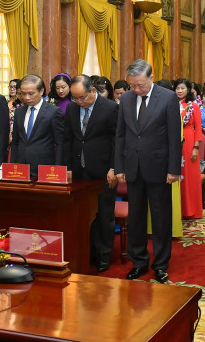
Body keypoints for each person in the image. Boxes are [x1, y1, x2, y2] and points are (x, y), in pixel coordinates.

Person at [114, 59, 181, 284]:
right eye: (132, 85)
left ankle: (161, 265)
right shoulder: (126, 98)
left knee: (161, 218)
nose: (136, 89)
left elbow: (174, 136)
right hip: (133, 167)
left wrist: (173, 169)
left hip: (159, 168)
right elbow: (120, 135)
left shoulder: (168, 97)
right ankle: (139, 262)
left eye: (140, 85)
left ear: (151, 78)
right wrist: (119, 167)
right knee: (136, 217)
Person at [64, 74, 118, 272]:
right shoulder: (71, 109)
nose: (79, 102)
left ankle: (103, 256)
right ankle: (85, 254)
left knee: (104, 215)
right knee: (80, 216)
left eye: (82, 97)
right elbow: (67, 139)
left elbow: (116, 141)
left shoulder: (110, 108)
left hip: (103, 172)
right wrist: (67, 168)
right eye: (75, 98)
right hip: (79, 171)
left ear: (93, 91)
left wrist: (114, 168)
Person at [10, 75, 64, 178]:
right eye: (23, 93)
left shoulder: (53, 112)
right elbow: (15, 142)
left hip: (45, 169)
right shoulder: (19, 112)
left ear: (41, 91)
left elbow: (60, 143)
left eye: (31, 93)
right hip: (21, 169)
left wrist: (57, 168)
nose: (26, 97)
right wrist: (13, 165)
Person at [175, 78, 203, 219]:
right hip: (174, 143)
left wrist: (196, 147)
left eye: (183, 88)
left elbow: (198, 128)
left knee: (189, 178)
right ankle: (177, 210)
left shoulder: (193, 106)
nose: (180, 91)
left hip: (189, 144)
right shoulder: (171, 104)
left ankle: (191, 210)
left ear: (188, 90)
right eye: (177, 88)